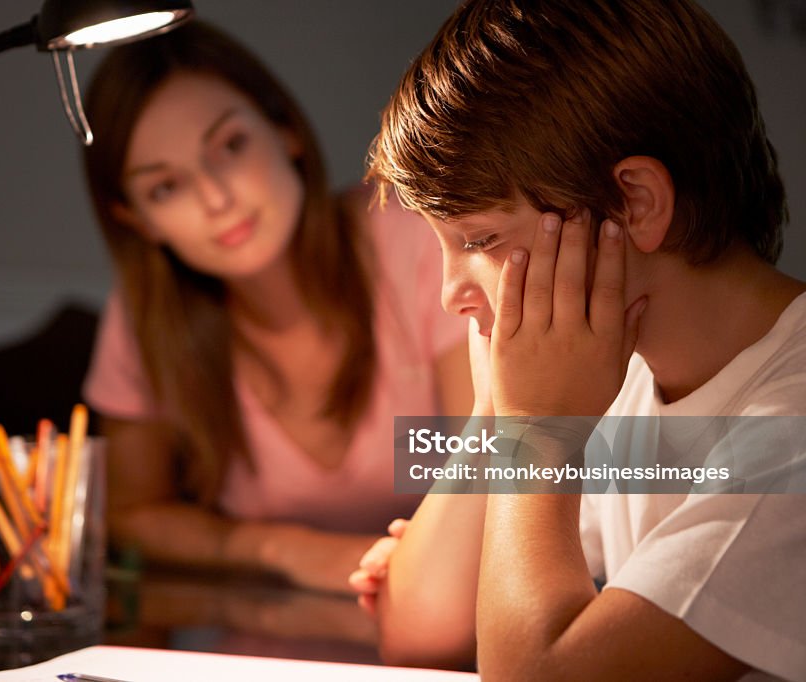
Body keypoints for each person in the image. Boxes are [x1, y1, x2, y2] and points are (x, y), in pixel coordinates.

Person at [349, 0, 806, 679]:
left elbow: (537, 672)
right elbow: (420, 628)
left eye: (479, 240)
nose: (450, 296)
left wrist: (536, 432)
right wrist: (502, 412)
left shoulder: (789, 442)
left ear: (635, 204)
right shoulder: (613, 378)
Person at [80, 19, 472, 595]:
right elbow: (131, 516)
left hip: (443, 624)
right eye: (166, 187)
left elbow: (501, 479)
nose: (217, 199)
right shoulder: (147, 319)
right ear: (136, 218)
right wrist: (283, 549)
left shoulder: (416, 237)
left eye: (230, 146)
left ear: (284, 129)